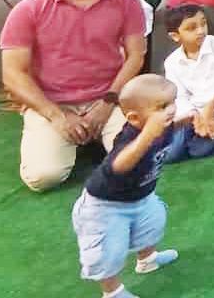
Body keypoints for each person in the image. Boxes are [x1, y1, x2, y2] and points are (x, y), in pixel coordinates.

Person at [1, 0, 145, 192]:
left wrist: (107, 104)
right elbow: (13, 73)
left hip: (109, 98)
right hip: (51, 102)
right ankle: (73, 138)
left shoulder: (128, 2)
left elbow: (136, 56)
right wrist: (56, 116)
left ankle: (91, 137)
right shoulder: (28, 9)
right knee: (43, 178)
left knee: (137, 166)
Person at [71, 74, 180, 298]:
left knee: (151, 225)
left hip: (141, 197)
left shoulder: (162, 125)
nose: (171, 110)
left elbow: (170, 128)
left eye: (172, 102)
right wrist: (147, 136)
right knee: (108, 251)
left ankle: (147, 260)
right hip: (106, 207)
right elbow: (119, 166)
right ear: (134, 118)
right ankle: (112, 292)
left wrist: (191, 121)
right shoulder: (130, 137)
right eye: (162, 107)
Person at [161, 5, 214, 161]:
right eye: (191, 28)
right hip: (194, 112)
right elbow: (180, 96)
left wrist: (210, 109)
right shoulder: (172, 62)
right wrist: (194, 116)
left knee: (198, 151)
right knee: (170, 155)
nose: (201, 31)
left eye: (203, 23)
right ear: (175, 36)